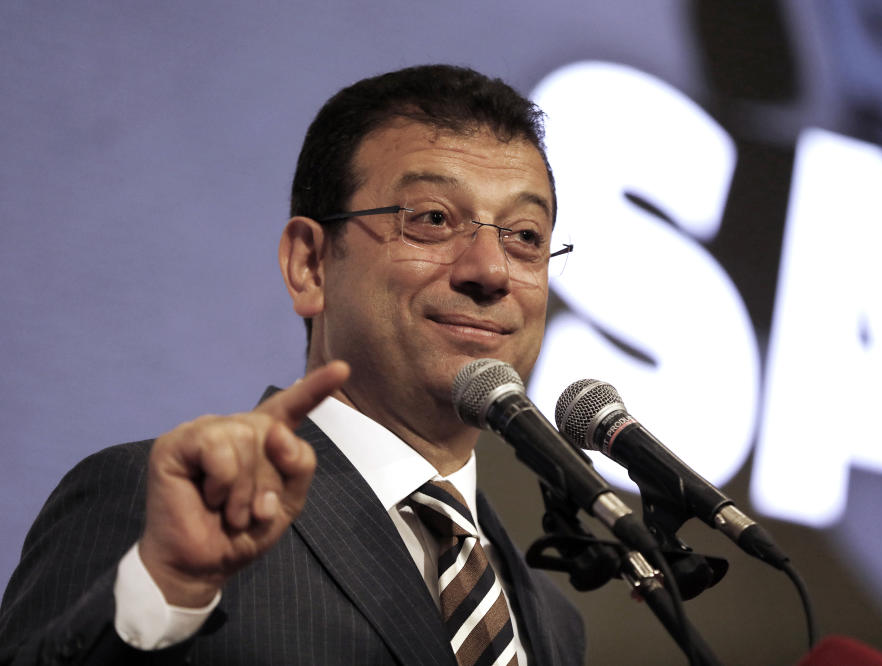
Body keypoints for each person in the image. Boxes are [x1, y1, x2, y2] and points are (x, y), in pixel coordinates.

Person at [0, 65, 585, 665]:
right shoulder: (160, 509)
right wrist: (161, 594)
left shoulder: (548, 617)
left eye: (524, 235)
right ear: (310, 264)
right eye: (432, 218)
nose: (490, 270)